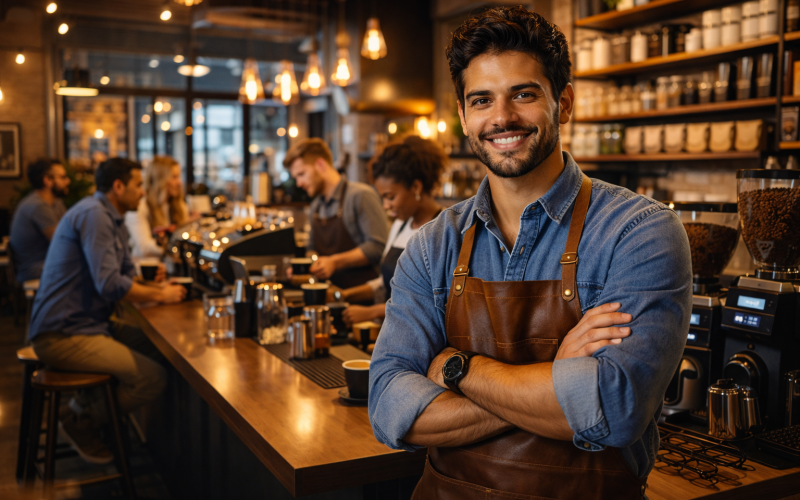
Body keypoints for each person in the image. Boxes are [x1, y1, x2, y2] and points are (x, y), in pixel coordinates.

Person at [368, 7, 692, 499]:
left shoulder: (640, 231)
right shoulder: (433, 245)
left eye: (523, 94)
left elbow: (613, 410)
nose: (502, 117)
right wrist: (555, 381)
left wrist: (458, 369)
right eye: (482, 100)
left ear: (563, 103)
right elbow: (390, 409)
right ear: (462, 116)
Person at [29, 158, 186, 464]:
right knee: (153, 378)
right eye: (139, 185)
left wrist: (158, 289)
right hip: (62, 334)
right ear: (118, 186)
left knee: (160, 347)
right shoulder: (95, 216)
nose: (143, 192)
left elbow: (127, 273)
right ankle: (81, 421)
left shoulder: (112, 216)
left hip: (89, 325)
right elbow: (110, 285)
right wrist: (163, 297)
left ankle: (82, 406)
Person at [338, 136, 446, 325]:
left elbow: (434, 302)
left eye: (390, 197)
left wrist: (372, 312)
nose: (386, 206)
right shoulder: (399, 226)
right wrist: (344, 295)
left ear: (416, 187)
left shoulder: (444, 230)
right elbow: (384, 284)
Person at [285, 138, 389, 289]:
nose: (299, 183)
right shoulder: (315, 207)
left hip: (362, 298)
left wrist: (334, 262)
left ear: (320, 164)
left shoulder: (360, 195)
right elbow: (312, 249)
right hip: (330, 295)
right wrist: (305, 268)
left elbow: (377, 247)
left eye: (302, 174)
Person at [9, 159, 70, 282]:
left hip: (46, 263)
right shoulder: (37, 206)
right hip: (34, 269)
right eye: (63, 177)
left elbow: (72, 231)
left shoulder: (55, 203)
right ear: (47, 180)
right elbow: (64, 243)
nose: (68, 181)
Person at [125, 155, 190, 258]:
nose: (180, 182)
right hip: (146, 268)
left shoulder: (180, 206)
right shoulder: (141, 207)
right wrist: (172, 245)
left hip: (173, 268)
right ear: (160, 178)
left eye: (179, 176)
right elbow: (144, 248)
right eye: (174, 177)